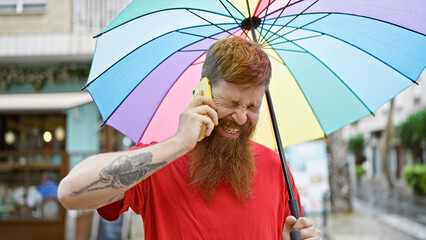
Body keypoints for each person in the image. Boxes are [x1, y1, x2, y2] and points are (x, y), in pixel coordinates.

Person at [58, 37, 322, 240]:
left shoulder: (275, 167)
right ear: (202, 91)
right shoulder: (160, 159)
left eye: (252, 107)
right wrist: (178, 144)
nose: (241, 118)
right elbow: (70, 193)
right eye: (230, 102)